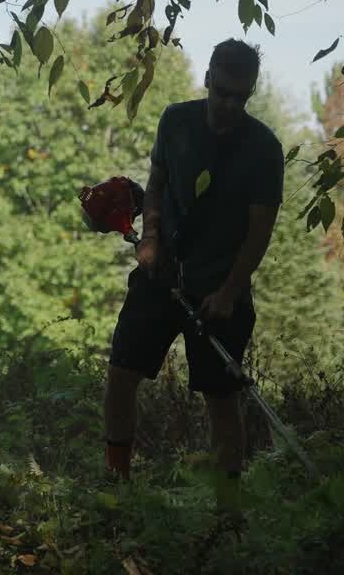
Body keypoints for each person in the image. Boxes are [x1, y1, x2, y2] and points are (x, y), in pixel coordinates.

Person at [102, 38, 284, 501]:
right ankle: (116, 488)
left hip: (221, 289)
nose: (230, 104)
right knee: (121, 374)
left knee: (221, 400)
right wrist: (150, 238)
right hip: (161, 275)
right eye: (222, 92)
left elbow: (259, 233)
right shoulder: (176, 121)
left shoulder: (264, 149)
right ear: (207, 79)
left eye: (241, 96)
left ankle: (227, 511)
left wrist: (228, 293)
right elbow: (157, 184)